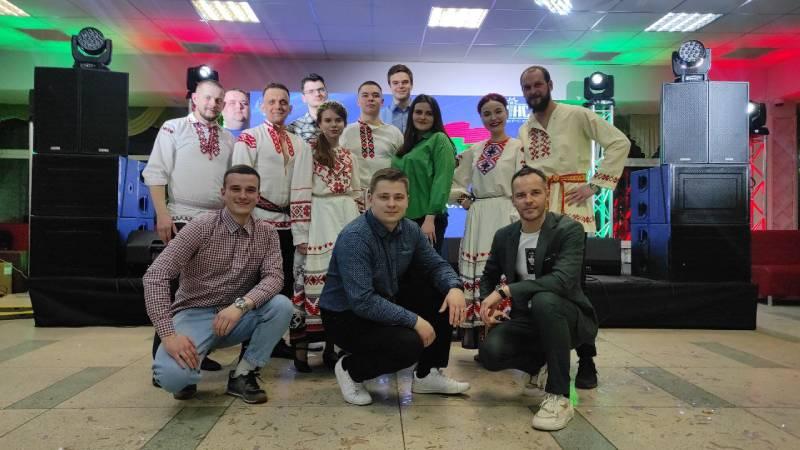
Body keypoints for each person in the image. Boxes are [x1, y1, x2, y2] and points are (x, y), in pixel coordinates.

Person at [518, 65, 629, 389]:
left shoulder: (577, 114)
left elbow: (618, 142)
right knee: (541, 285)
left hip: (572, 208)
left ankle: (587, 360)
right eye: (527, 87)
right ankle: (545, 359)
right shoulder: (525, 128)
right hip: (540, 213)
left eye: (537, 84)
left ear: (549, 85)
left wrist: (596, 184)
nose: (533, 91)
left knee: (574, 287)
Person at [144, 164, 293, 403]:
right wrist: (168, 335)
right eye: (235, 189)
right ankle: (188, 370)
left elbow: (274, 277)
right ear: (223, 193)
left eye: (250, 190)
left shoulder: (267, 233)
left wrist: (241, 306)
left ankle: (244, 373)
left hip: (236, 316)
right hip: (194, 314)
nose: (243, 195)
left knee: (282, 306)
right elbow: (156, 275)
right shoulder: (201, 226)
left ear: (259, 196)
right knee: (172, 379)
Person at [321, 168, 470, 405]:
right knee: (408, 346)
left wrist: (454, 288)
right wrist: (415, 321)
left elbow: (435, 265)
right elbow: (363, 301)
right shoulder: (355, 237)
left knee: (440, 293)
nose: (391, 204)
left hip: (385, 300)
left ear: (407, 200)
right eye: (384, 197)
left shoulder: (410, 229)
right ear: (370, 198)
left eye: (398, 197)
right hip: (345, 316)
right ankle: (350, 369)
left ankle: (427, 374)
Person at [478, 166, 599, 431]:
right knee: (490, 353)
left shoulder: (568, 229)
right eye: (521, 195)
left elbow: (562, 281)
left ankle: (560, 396)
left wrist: (506, 291)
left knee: (545, 299)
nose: (528, 200)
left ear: (547, 193)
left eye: (535, 193)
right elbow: (488, 276)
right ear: (513, 200)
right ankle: (539, 364)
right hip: (526, 317)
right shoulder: (505, 236)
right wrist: (488, 305)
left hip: (568, 317)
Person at [142, 79, 235, 371]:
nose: (213, 104)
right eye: (207, 98)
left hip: (217, 222)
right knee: (174, 290)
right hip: (181, 218)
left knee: (206, 289)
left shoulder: (228, 138)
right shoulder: (173, 128)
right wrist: (162, 213)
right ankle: (163, 361)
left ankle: (199, 352)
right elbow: (156, 173)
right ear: (195, 98)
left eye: (218, 100)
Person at [289, 101, 361, 372]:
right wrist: (300, 233)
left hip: (346, 217)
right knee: (311, 281)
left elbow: (356, 192)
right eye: (328, 120)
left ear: (344, 123)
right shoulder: (308, 151)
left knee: (340, 283)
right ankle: (301, 351)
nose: (333, 125)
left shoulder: (349, 156)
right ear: (319, 124)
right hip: (319, 218)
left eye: (338, 120)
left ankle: (334, 348)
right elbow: (299, 191)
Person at [450, 93, 526, 339]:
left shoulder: (519, 147)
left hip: (506, 213)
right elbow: (453, 181)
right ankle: (481, 336)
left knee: (502, 268)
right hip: (479, 215)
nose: (493, 117)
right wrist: (463, 200)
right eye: (487, 113)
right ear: (481, 118)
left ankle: (504, 335)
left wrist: (518, 215)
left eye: (498, 111)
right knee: (480, 274)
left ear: (507, 113)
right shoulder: (475, 150)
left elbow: (524, 183)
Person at [391, 94, 456, 254]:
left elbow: (442, 180)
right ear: (411, 114)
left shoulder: (439, 140)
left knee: (426, 268)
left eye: (429, 113)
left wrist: (430, 218)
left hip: (427, 220)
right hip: (403, 219)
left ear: (436, 117)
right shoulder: (407, 144)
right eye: (418, 112)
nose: (422, 117)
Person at [341, 81, 403, 211]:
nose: (370, 99)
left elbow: (402, 169)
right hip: (354, 201)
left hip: (387, 200)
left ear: (382, 101)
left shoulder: (394, 133)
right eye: (365, 95)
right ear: (358, 101)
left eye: (375, 95)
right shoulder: (345, 133)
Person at [287, 73, 328, 145]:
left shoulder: (340, 123)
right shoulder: (294, 128)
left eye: (321, 90)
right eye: (311, 91)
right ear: (303, 98)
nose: (317, 94)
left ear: (327, 93)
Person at [380, 64, 413, 133]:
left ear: (411, 85)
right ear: (390, 86)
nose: (400, 86)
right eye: (395, 83)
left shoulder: (422, 115)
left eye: (405, 82)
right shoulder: (379, 117)